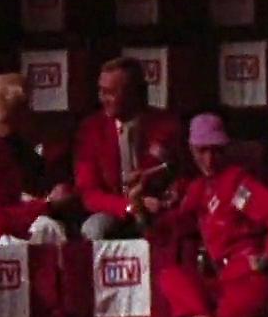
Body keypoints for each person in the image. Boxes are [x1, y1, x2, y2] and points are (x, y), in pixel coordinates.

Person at [153, 112, 268, 317]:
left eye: (215, 150)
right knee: (169, 275)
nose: (209, 159)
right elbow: (171, 229)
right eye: (202, 151)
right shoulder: (199, 189)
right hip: (224, 282)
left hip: (252, 282)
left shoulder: (237, 182)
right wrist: (142, 209)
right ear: (191, 150)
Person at [74, 57, 187, 240]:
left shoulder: (168, 126)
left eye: (110, 93)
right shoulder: (91, 130)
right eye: (101, 92)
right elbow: (88, 192)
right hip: (116, 209)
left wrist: (168, 199)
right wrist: (130, 206)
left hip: (158, 209)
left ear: (134, 93)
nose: (103, 99)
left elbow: (183, 174)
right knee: (94, 228)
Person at [0, 72, 72, 249]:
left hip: (9, 226)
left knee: (50, 228)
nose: (31, 113)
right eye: (26, 107)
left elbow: (40, 178)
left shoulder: (12, 144)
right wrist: (47, 205)